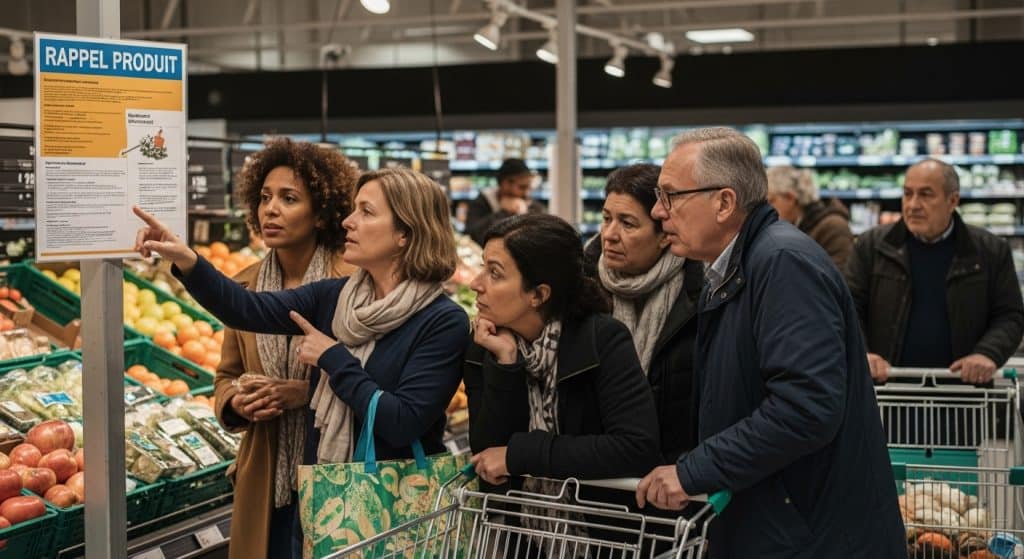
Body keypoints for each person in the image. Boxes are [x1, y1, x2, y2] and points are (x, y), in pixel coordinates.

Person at [133, 167, 469, 547]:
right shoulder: (335, 297)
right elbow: (247, 308)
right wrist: (188, 260)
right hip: (324, 501)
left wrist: (334, 359)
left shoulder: (443, 321)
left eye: (366, 212)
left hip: (395, 515)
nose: (348, 221)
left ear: (405, 234)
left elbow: (402, 422)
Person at [636, 127, 905, 558]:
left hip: (813, 533)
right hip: (780, 523)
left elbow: (806, 406)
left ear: (724, 202)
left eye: (669, 195)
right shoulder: (733, 267)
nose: (657, 210)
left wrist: (695, 471)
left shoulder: (783, 264)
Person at [465, 214, 661, 550]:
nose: (476, 283)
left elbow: (636, 447)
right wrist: (507, 364)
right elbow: (487, 452)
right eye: (483, 267)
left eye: (494, 273)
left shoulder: (601, 340)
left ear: (538, 294)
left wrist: (522, 454)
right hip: (525, 540)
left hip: (603, 540)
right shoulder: (484, 346)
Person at [212, 138, 357, 559]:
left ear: (320, 213)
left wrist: (305, 394)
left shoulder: (351, 282)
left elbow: (374, 376)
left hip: (333, 470)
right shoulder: (243, 286)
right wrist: (238, 402)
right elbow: (225, 375)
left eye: (289, 198)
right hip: (264, 475)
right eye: (264, 197)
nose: (270, 209)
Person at [845, 158, 1024, 384]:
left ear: (953, 200)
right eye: (907, 194)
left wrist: (987, 353)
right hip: (888, 392)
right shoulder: (871, 246)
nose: (913, 205)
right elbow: (848, 308)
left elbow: (1010, 315)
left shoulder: (990, 251)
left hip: (964, 395)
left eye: (926, 195)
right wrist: (862, 352)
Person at [585, 163, 703, 463]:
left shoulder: (702, 293)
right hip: (596, 471)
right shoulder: (581, 287)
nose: (609, 235)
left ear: (664, 233)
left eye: (627, 223)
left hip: (674, 475)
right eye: (606, 219)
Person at [766, 165, 854, 268]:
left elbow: (839, 278)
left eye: (771, 201)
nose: (768, 208)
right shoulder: (792, 225)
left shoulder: (834, 227)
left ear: (790, 198)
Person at [465, 158, 544, 246]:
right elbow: (472, 237)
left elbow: (539, 239)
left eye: (528, 187)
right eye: (522, 187)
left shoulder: (533, 206)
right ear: (505, 184)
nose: (526, 193)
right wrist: (503, 212)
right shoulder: (482, 202)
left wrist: (524, 214)